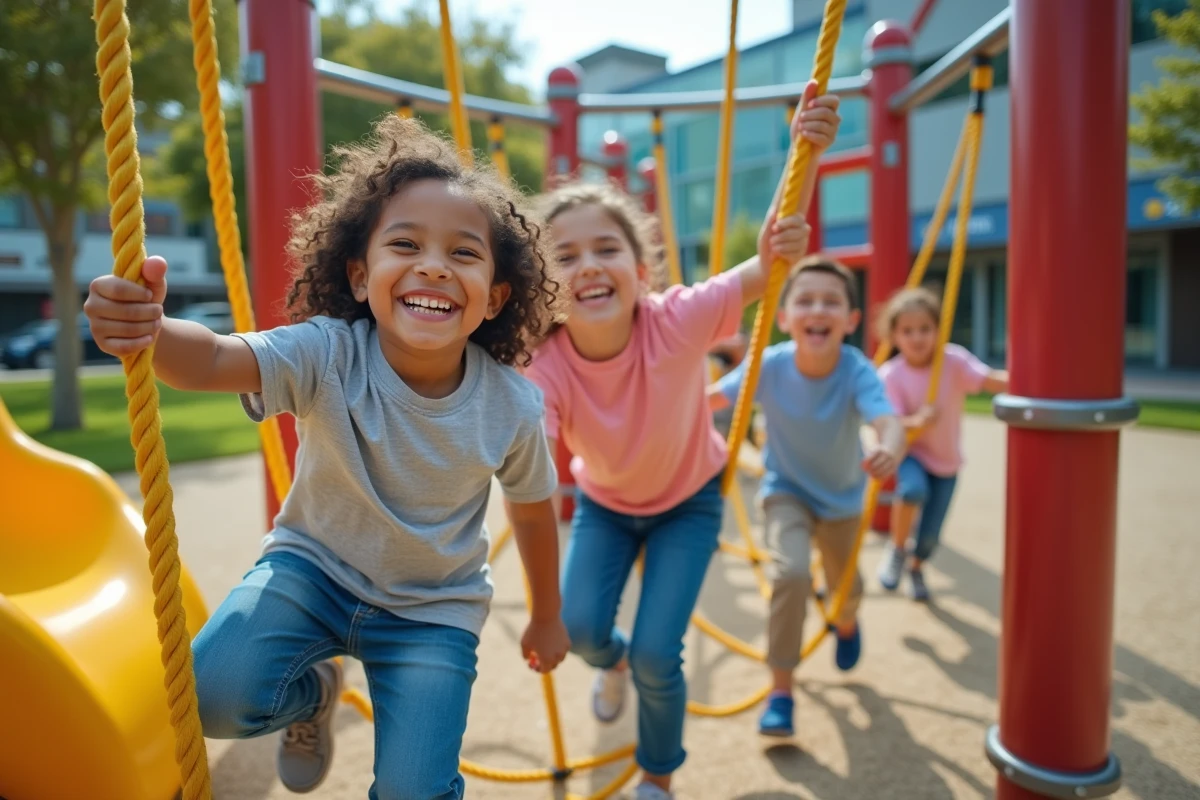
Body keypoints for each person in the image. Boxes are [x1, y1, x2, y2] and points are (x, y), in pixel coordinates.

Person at [83, 115, 571, 799]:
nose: (433, 265)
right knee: (210, 697)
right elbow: (215, 359)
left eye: (464, 254)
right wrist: (151, 330)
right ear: (360, 275)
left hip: (433, 610)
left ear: (493, 299)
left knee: (414, 790)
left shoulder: (511, 406)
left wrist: (547, 614)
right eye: (405, 244)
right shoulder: (326, 352)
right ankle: (311, 695)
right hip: (312, 570)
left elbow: (533, 510)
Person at [524, 80, 842, 800]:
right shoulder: (544, 362)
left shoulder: (678, 319)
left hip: (688, 504)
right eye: (565, 256)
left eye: (607, 248)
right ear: (545, 284)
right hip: (607, 506)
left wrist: (807, 151)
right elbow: (529, 444)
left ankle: (658, 776)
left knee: (658, 655)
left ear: (642, 272)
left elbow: (770, 262)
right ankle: (611, 664)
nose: (588, 265)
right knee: (582, 630)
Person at [708, 256, 906, 739]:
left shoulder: (855, 370)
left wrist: (889, 447)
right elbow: (713, 399)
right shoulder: (770, 365)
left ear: (851, 320)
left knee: (846, 590)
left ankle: (846, 621)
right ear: (784, 317)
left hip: (842, 500)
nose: (818, 309)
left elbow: (888, 421)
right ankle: (781, 691)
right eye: (806, 300)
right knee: (790, 573)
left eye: (831, 302)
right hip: (786, 492)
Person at [875, 286, 1008, 601]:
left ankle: (916, 566)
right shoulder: (891, 375)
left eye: (925, 329)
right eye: (908, 331)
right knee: (911, 491)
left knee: (930, 536)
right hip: (911, 453)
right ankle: (897, 549)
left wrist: (1032, 381)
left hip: (946, 460)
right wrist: (917, 420)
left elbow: (988, 379)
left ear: (939, 330)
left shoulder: (953, 361)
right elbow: (889, 422)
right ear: (894, 336)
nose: (917, 338)